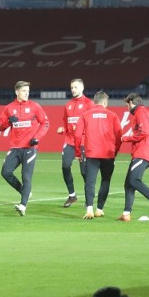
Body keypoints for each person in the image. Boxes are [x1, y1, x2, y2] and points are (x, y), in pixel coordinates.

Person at [0, 80, 50, 216]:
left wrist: (37, 137)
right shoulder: (9, 108)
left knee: (26, 176)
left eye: (27, 91)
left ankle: (23, 205)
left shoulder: (35, 106)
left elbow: (46, 123)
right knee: (5, 172)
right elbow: (0, 127)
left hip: (30, 148)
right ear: (17, 92)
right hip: (15, 147)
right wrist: (8, 121)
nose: (26, 93)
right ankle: (24, 191)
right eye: (23, 91)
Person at [74, 91, 123, 219]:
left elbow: (77, 135)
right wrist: (115, 151)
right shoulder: (112, 115)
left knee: (90, 182)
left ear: (94, 101)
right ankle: (99, 209)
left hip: (91, 154)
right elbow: (119, 135)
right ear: (105, 102)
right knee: (105, 181)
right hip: (108, 154)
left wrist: (78, 152)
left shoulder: (85, 115)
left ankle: (89, 209)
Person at [120, 93, 149, 221]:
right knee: (128, 183)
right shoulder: (145, 113)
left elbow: (144, 132)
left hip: (142, 152)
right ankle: (126, 214)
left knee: (134, 180)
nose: (127, 108)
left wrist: (126, 138)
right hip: (144, 151)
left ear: (131, 103)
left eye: (127, 105)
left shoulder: (140, 113)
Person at [59, 79, 94, 208]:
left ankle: (88, 199)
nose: (73, 89)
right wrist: (63, 129)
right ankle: (72, 195)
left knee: (84, 172)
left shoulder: (89, 104)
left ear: (82, 87)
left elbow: (92, 123)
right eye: (72, 87)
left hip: (83, 142)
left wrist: (82, 130)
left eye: (76, 87)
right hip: (69, 141)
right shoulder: (68, 105)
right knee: (65, 166)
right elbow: (65, 122)